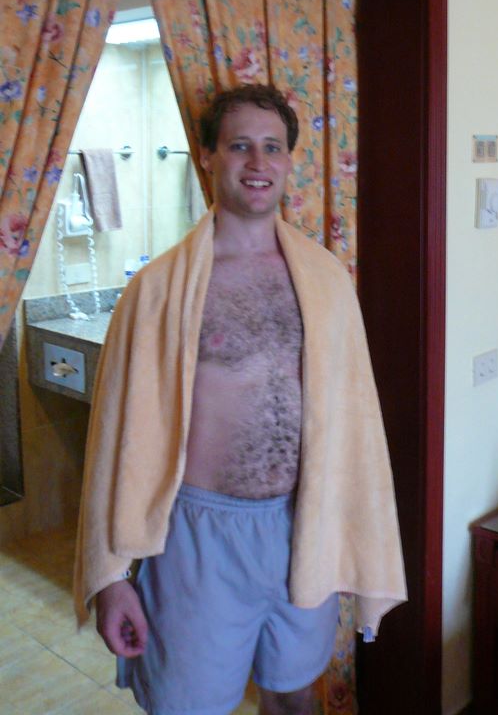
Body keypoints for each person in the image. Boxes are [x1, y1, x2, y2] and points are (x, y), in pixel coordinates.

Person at [73, 84, 406, 715]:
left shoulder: (327, 280)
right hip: (199, 538)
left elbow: (356, 425)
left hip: (302, 525)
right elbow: (114, 439)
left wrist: (353, 533)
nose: (258, 163)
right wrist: (111, 578)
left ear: (289, 161)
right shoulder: (158, 291)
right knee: (187, 704)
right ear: (207, 156)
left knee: (295, 694)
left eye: (273, 148)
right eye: (240, 146)